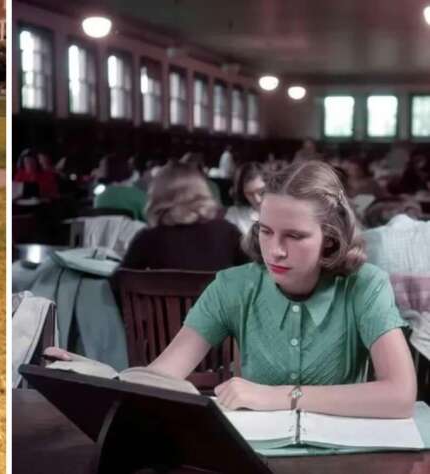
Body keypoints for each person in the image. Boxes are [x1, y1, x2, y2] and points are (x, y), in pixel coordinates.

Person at [140, 161, 415, 418]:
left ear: (330, 239)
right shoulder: (232, 286)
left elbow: (401, 396)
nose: (275, 251)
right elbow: (162, 375)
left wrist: (283, 397)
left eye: (294, 236)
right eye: (266, 231)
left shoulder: (366, 284)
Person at [119, 162, 248, 271]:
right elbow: (257, 278)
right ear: (202, 192)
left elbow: (119, 284)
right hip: (221, 301)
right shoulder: (228, 232)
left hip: (163, 300)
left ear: (158, 196)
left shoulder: (147, 239)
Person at [224, 162, 265, 235]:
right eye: (249, 194)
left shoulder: (282, 211)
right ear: (242, 193)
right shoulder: (234, 214)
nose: (257, 199)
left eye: (261, 192)